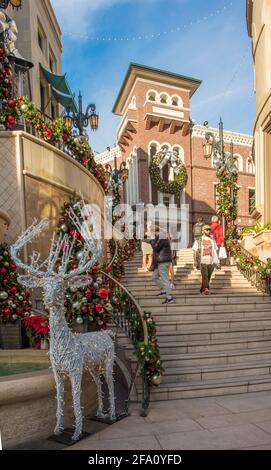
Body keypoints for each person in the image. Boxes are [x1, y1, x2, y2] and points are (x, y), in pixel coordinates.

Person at [151, 226, 174, 304]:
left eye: (155, 232)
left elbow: (155, 247)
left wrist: (151, 240)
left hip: (163, 261)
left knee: (165, 279)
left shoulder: (162, 238)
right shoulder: (161, 238)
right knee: (154, 276)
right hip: (159, 261)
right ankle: (164, 290)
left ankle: (169, 297)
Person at [192, 224, 219, 295]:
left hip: (211, 261)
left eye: (209, 230)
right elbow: (195, 250)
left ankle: (202, 289)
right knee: (205, 275)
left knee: (208, 276)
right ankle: (207, 289)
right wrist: (195, 260)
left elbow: (215, 251)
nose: (208, 231)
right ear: (203, 231)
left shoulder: (212, 240)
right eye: (207, 230)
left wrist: (217, 261)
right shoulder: (199, 240)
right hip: (202, 261)